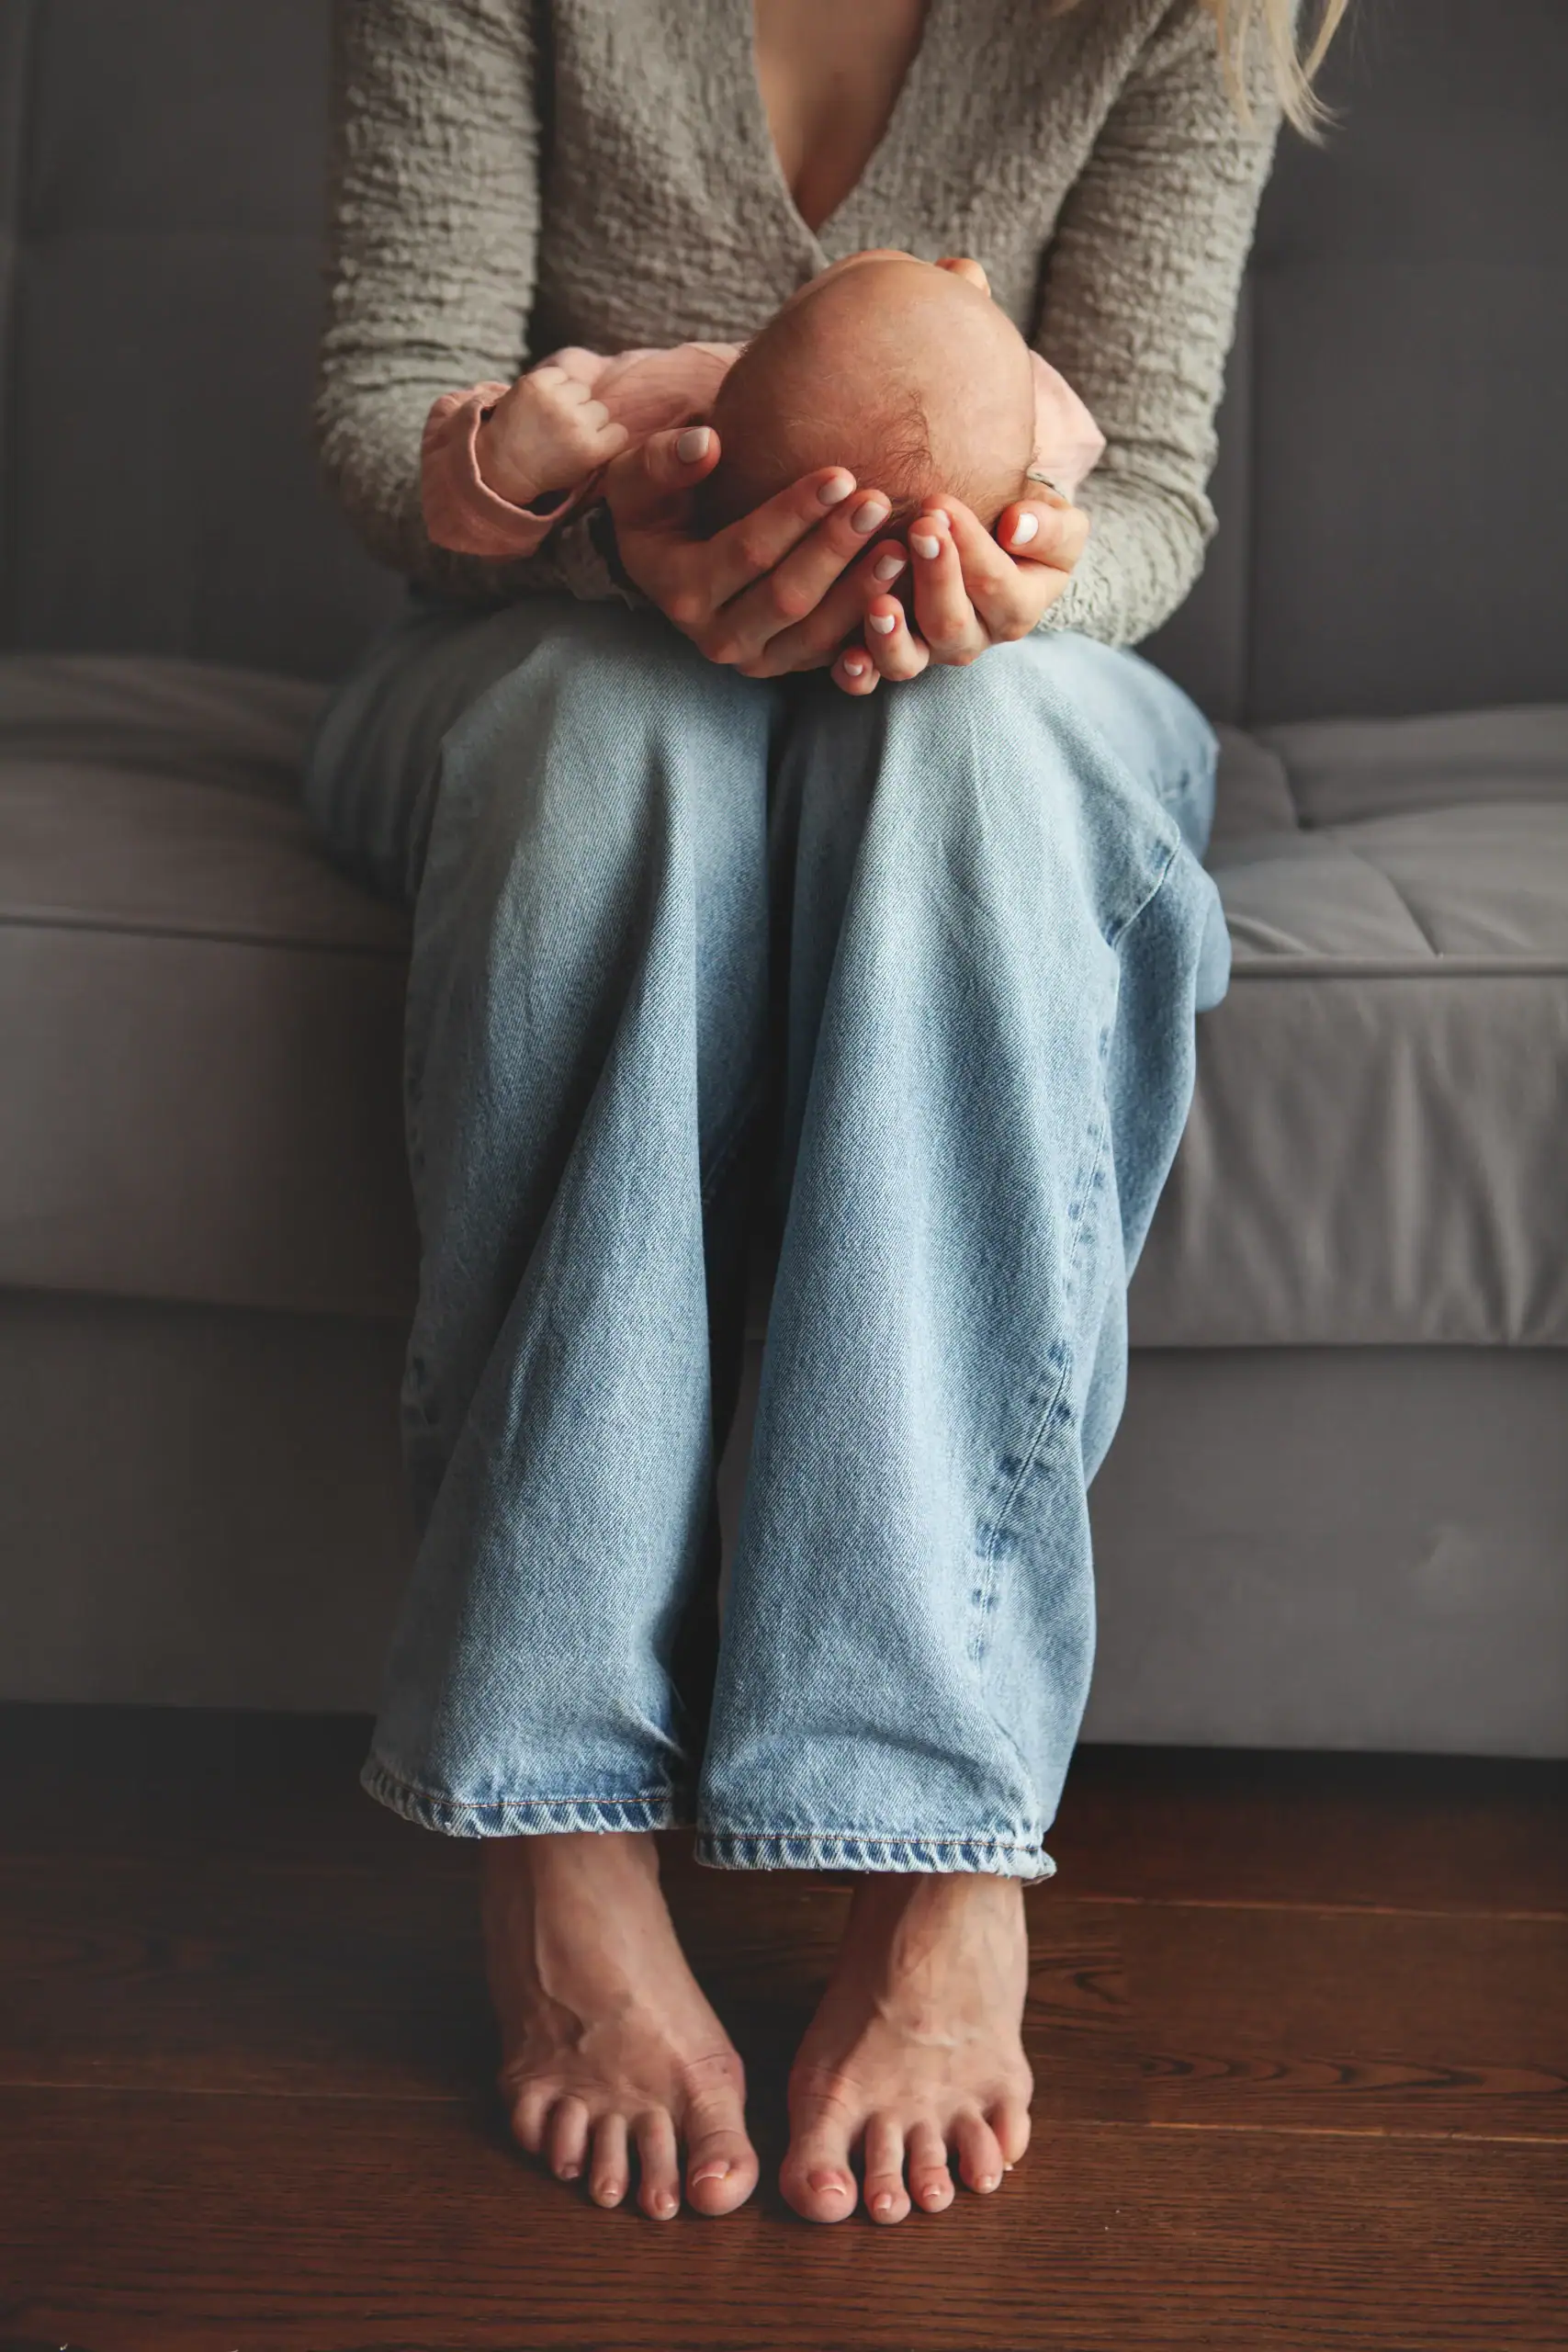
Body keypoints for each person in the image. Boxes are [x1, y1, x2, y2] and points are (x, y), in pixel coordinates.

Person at [306, 0, 1347, 2229]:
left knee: (969, 773)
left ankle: (932, 1832)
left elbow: (1144, 484)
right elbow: (383, 408)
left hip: (993, 675)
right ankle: (548, 1816)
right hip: (541, 649)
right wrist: (608, 536)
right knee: (620, 758)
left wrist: (1001, 587)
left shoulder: (1176, 10)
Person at [419, 249, 1107, 568]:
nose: (963, 268)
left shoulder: (660, 399)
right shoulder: (1035, 422)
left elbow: (456, 527)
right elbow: (1063, 481)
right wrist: (1036, 528)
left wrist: (506, 462)